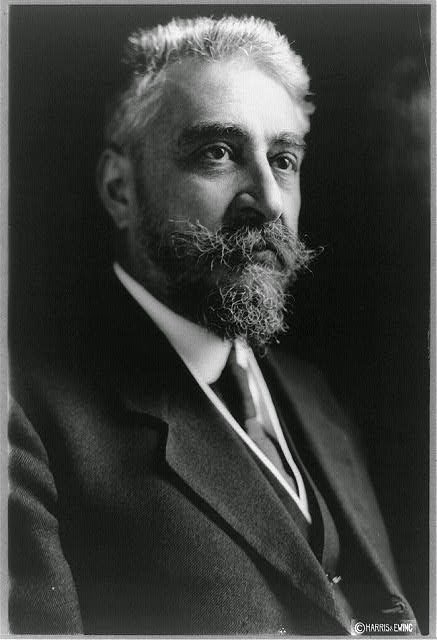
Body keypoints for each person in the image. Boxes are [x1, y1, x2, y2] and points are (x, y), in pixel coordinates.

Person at [9, 15, 418, 635]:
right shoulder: (26, 417)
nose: (269, 201)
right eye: (218, 153)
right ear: (120, 189)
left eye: (283, 159)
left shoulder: (313, 394)